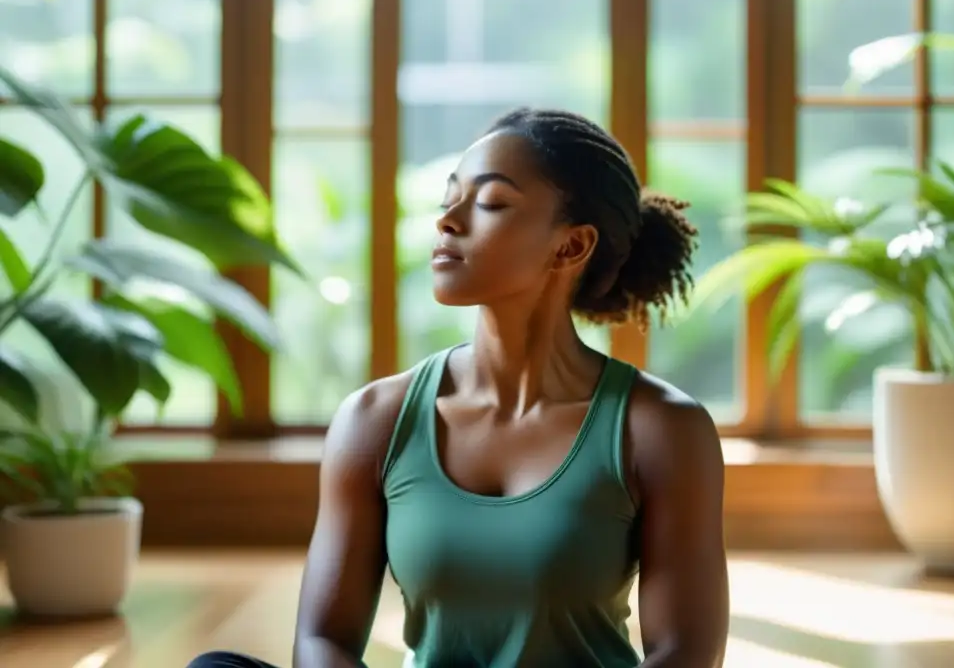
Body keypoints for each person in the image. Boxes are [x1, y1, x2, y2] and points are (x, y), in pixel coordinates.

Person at [188, 108, 729, 668]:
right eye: (451, 197)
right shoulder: (375, 418)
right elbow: (323, 640)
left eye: (491, 203)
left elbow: (684, 653)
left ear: (570, 247)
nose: (448, 220)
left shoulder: (660, 428)